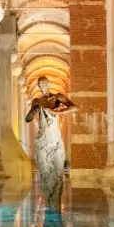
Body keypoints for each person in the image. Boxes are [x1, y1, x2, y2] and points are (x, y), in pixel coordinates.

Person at [24, 76, 77, 211]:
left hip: (55, 140)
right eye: (39, 85)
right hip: (42, 141)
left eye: (43, 84)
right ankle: (49, 203)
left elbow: (74, 107)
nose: (41, 87)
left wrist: (55, 111)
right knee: (46, 174)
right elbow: (28, 119)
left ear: (48, 84)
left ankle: (56, 203)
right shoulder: (37, 100)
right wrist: (34, 110)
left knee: (58, 174)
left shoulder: (57, 97)